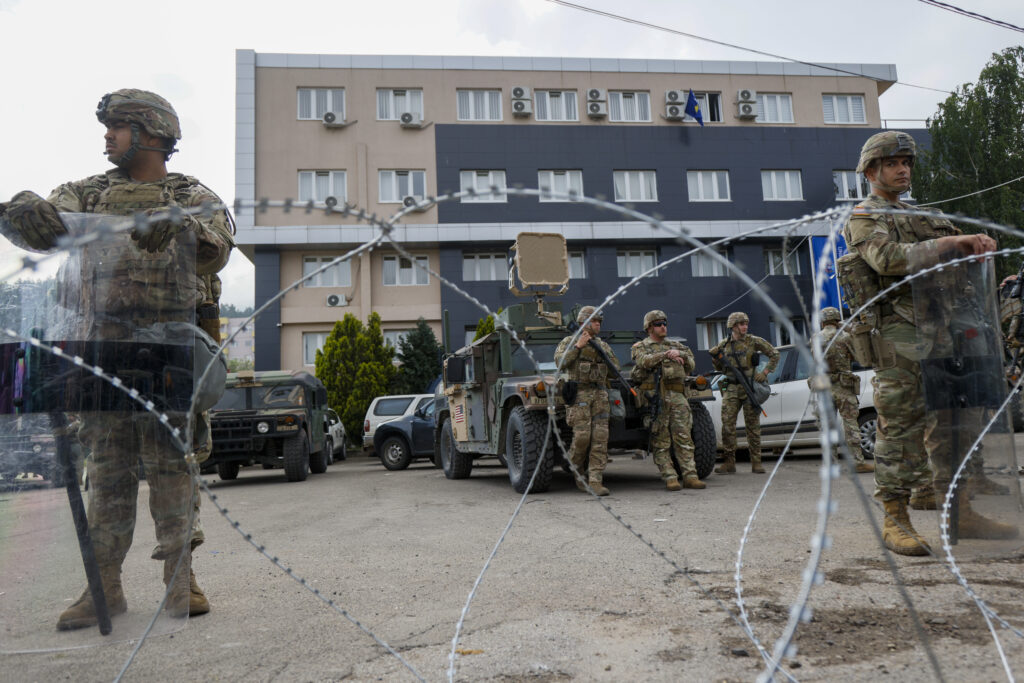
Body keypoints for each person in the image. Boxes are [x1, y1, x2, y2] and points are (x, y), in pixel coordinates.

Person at [0, 89, 234, 627]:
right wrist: (23, 210)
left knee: (172, 466)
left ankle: (181, 581)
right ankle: (102, 587)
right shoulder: (87, 192)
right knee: (105, 471)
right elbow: (43, 226)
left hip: (166, 355)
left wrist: (181, 225)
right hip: (97, 351)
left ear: (150, 133)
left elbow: (216, 247)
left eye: (117, 127)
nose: (107, 136)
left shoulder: (190, 193)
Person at [841, 130, 1015, 556]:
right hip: (902, 337)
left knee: (958, 425)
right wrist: (953, 242)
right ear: (871, 170)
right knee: (900, 426)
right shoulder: (865, 216)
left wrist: (977, 249)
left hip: (949, 333)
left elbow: (958, 253)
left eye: (908, 163)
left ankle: (962, 511)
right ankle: (895, 518)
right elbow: (886, 259)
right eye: (894, 163)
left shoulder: (924, 216)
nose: (904, 170)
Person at [631, 310, 704, 491]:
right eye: (658, 324)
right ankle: (670, 476)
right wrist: (666, 356)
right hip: (656, 398)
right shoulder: (641, 346)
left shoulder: (675, 345)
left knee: (684, 438)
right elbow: (644, 362)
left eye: (664, 323)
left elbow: (691, 363)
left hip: (678, 396)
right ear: (649, 328)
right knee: (661, 440)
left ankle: (690, 476)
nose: (663, 326)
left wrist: (680, 353)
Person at [554, 306, 620, 496]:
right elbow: (560, 362)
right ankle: (577, 471)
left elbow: (615, 369)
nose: (598, 324)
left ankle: (595, 480)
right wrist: (578, 346)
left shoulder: (603, 344)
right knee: (582, 438)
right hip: (579, 394)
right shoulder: (569, 341)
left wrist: (602, 354)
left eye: (600, 322)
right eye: (594, 321)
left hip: (600, 395)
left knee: (600, 438)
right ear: (583, 322)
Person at [709, 312, 779, 474]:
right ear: (733, 326)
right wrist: (715, 359)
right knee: (727, 426)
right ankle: (729, 462)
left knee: (753, 426)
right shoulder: (724, 345)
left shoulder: (753, 341)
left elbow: (774, 354)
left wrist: (766, 371)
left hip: (749, 386)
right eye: (741, 324)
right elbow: (720, 369)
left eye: (746, 323)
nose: (745, 327)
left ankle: (756, 462)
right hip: (732, 387)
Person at [810, 307, 874, 474]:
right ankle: (858, 462)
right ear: (837, 319)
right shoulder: (845, 336)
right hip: (844, 386)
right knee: (851, 424)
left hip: (825, 387)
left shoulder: (815, 338)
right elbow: (857, 357)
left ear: (822, 321)